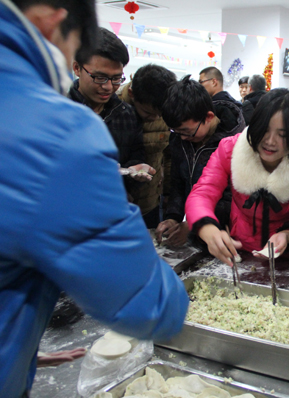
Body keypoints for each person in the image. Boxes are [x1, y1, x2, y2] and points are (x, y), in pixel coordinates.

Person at [0, 1, 189, 398]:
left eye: (114, 78)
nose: (106, 85)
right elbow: (149, 306)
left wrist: (22, 346)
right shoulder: (54, 128)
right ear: (54, 18)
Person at [185, 89, 289, 264]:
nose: (270, 141)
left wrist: (288, 235)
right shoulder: (230, 149)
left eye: (282, 135)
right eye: (264, 130)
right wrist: (207, 228)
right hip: (242, 252)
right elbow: (203, 192)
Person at [158, 75, 245, 246]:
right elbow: (177, 182)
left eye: (187, 131)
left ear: (209, 117)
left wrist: (195, 224)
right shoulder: (180, 139)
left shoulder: (232, 144)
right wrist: (173, 217)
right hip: (196, 224)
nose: (182, 137)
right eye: (176, 131)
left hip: (228, 233)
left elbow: (233, 198)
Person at [69, 27, 153, 199]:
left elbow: (135, 156)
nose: (108, 87)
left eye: (116, 78)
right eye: (99, 77)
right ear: (77, 68)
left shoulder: (127, 114)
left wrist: (133, 172)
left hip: (112, 205)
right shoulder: (56, 111)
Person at [119, 64, 177, 228]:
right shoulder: (113, 108)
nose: (155, 118)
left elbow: (168, 155)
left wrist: (168, 193)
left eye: (160, 114)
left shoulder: (165, 110)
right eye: (149, 113)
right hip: (117, 203)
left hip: (151, 202)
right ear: (132, 94)